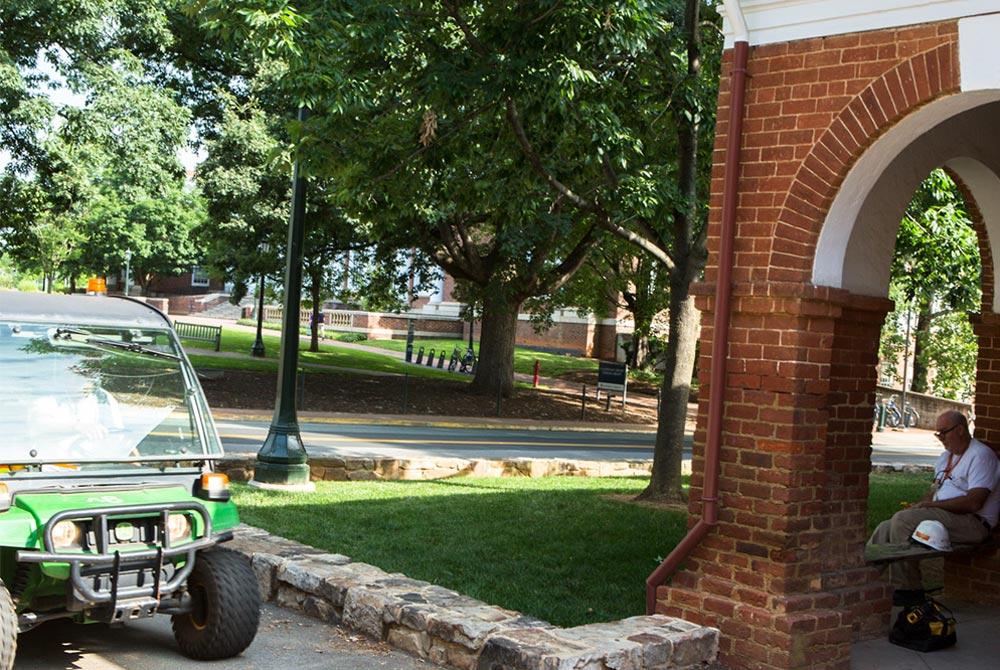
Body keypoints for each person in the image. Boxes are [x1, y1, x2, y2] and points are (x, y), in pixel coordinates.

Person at [868, 410, 1000, 606]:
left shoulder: (980, 456)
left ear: (961, 429)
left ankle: (908, 589)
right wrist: (919, 506)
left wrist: (930, 506)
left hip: (972, 523)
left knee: (902, 521)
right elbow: (934, 490)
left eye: (944, 433)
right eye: (937, 434)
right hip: (943, 516)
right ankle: (861, 579)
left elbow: (974, 502)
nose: (941, 438)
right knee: (886, 527)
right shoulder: (947, 456)